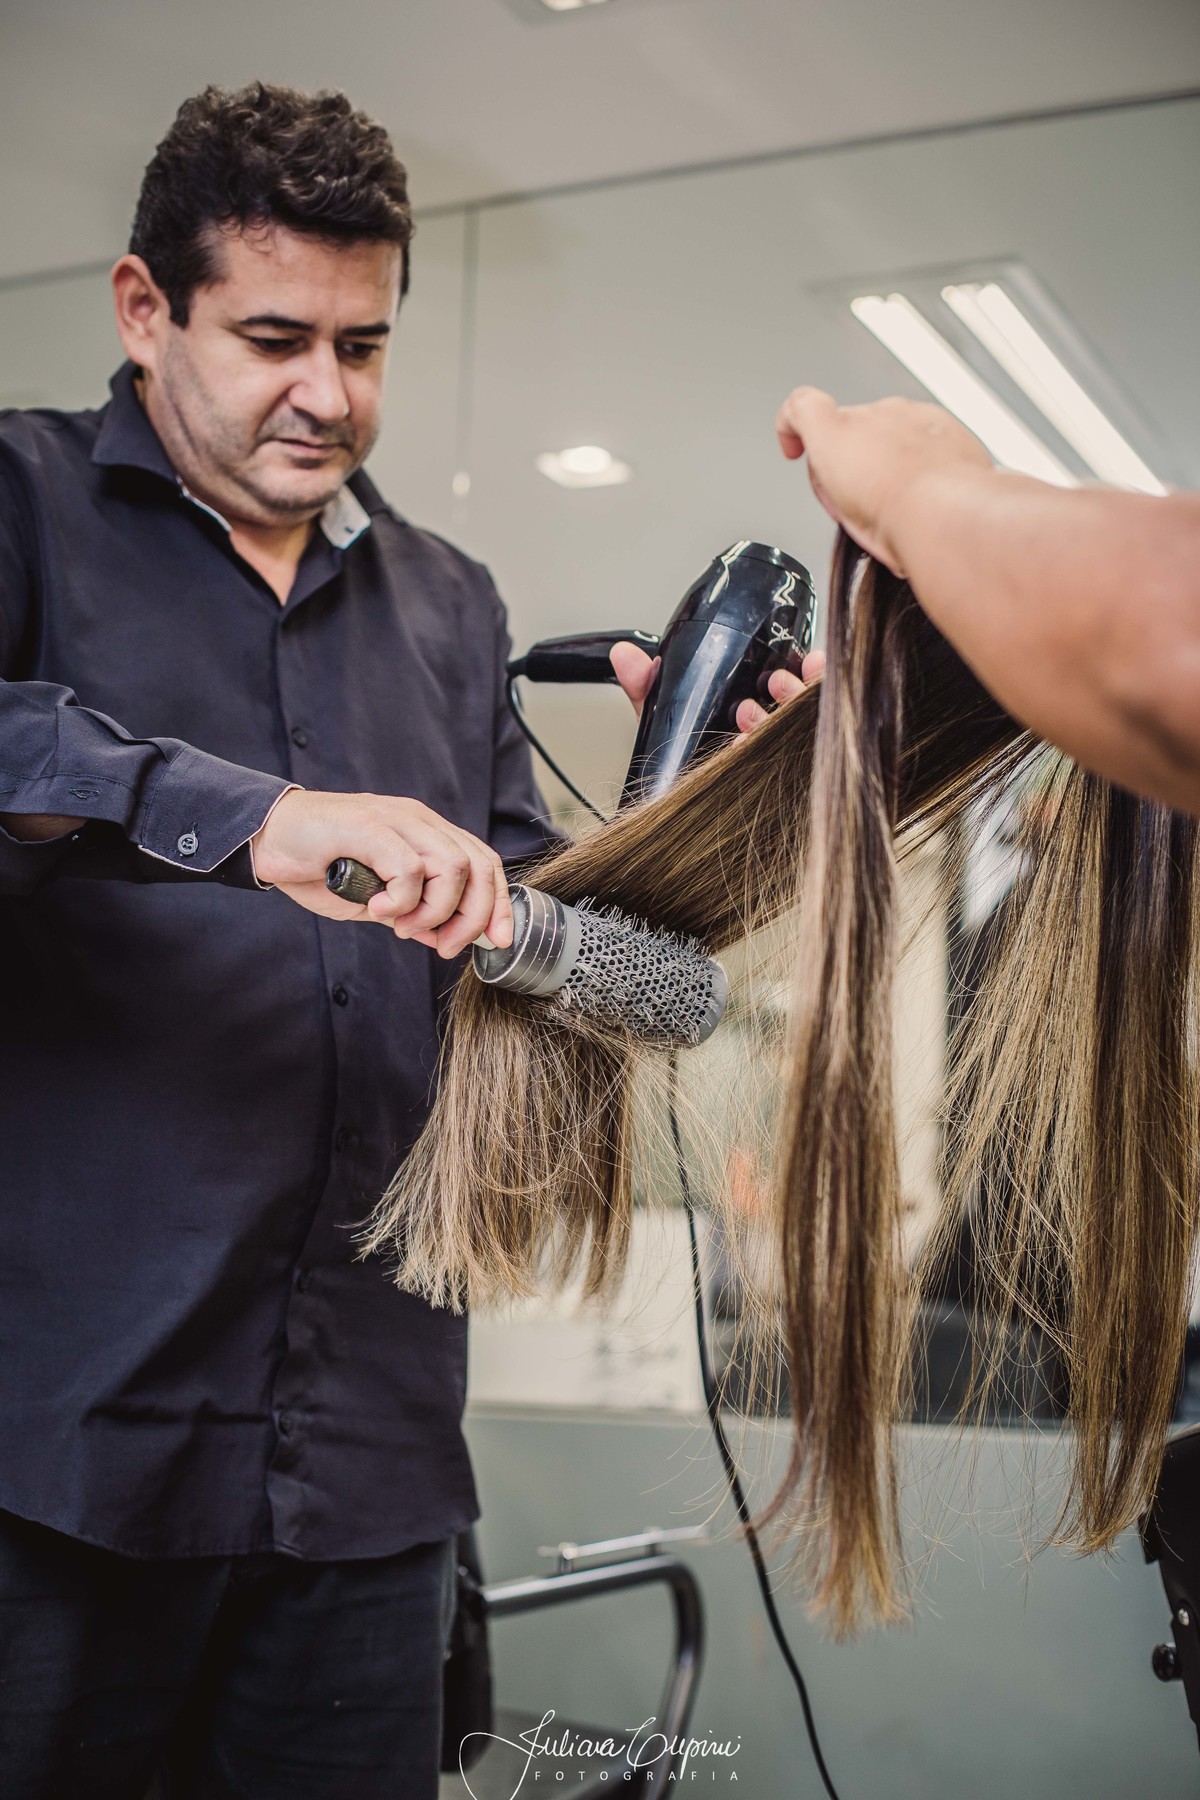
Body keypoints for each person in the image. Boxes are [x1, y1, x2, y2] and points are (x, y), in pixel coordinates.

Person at [0, 82, 643, 1800]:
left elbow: (541, 933)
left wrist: (705, 794)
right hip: (57, 1458)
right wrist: (258, 818)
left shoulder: (451, 603)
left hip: (368, 1466)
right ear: (145, 309)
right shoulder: (20, 500)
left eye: (365, 345)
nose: (331, 393)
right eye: (275, 338)